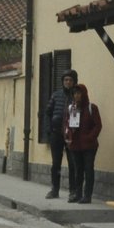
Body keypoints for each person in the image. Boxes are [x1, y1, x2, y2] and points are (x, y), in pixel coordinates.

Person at [39, 68, 77, 199]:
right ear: (62, 81)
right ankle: (54, 190)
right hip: (56, 134)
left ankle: (73, 191)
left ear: (74, 82)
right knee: (56, 163)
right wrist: (48, 129)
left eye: (70, 80)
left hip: (71, 135)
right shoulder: (56, 95)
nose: (68, 82)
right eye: (66, 80)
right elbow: (47, 113)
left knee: (73, 164)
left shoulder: (77, 96)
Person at [64, 81, 102, 203]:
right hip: (75, 145)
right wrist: (68, 137)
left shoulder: (92, 108)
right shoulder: (72, 108)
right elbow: (67, 125)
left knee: (88, 169)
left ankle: (87, 195)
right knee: (77, 170)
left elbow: (98, 125)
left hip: (89, 146)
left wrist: (90, 137)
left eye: (79, 93)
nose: (76, 96)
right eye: (74, 93)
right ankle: (77, 193)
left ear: (84, 94)